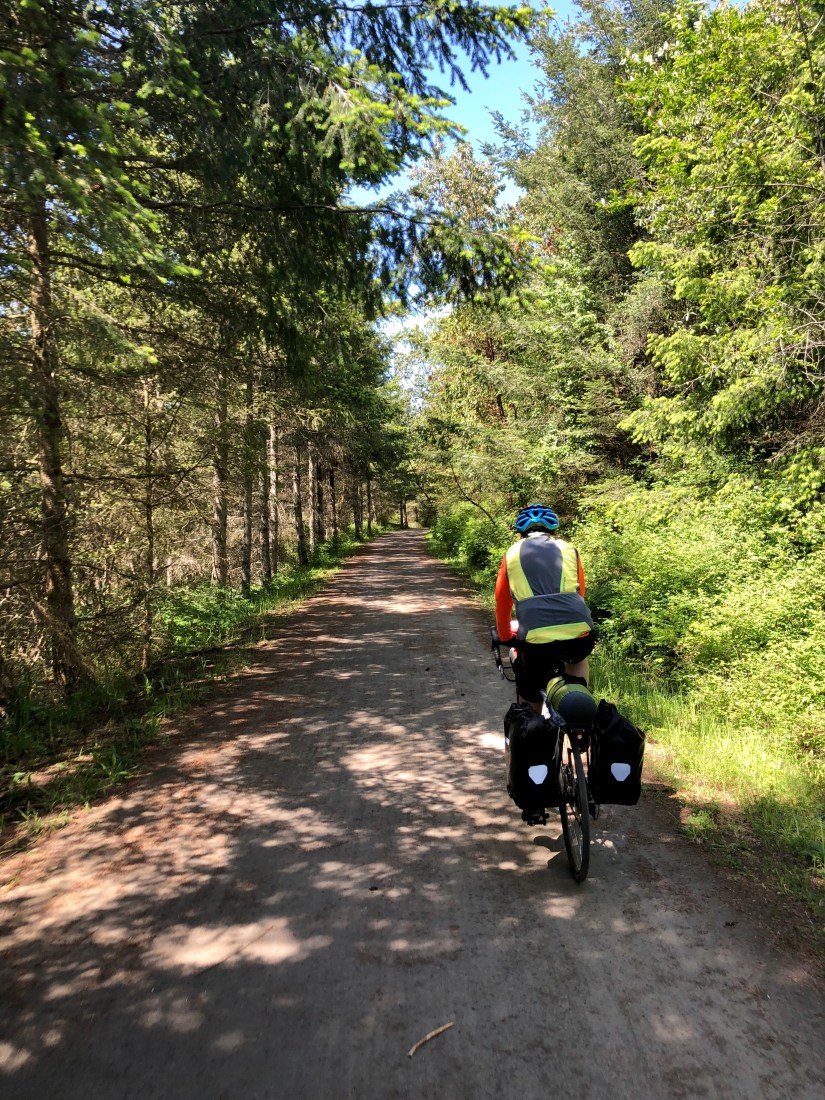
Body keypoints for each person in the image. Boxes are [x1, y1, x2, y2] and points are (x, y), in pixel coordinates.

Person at [495, 504, 595, 714]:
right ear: (553, 531)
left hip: (535, 639)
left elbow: (502, 601)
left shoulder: (511, 553)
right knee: (578, 656)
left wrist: (505, 636)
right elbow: (580, 592)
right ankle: (580, 707)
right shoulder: (569, 549)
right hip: (578, 630)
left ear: (521, 534)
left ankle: (532, 717)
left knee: (530, 699)